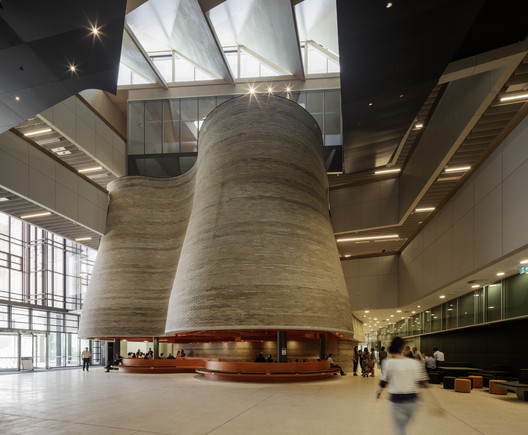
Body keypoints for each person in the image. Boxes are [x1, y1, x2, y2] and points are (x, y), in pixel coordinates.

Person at [376, 337, 442, 435]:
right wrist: (437, 404)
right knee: (403, 428)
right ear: (403, 348)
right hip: (413, 402)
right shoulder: (415, 363)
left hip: (397, 401)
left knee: (400, 430)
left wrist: (378, 392)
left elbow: (383, 382)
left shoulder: (389, 362)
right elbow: (425, 384)